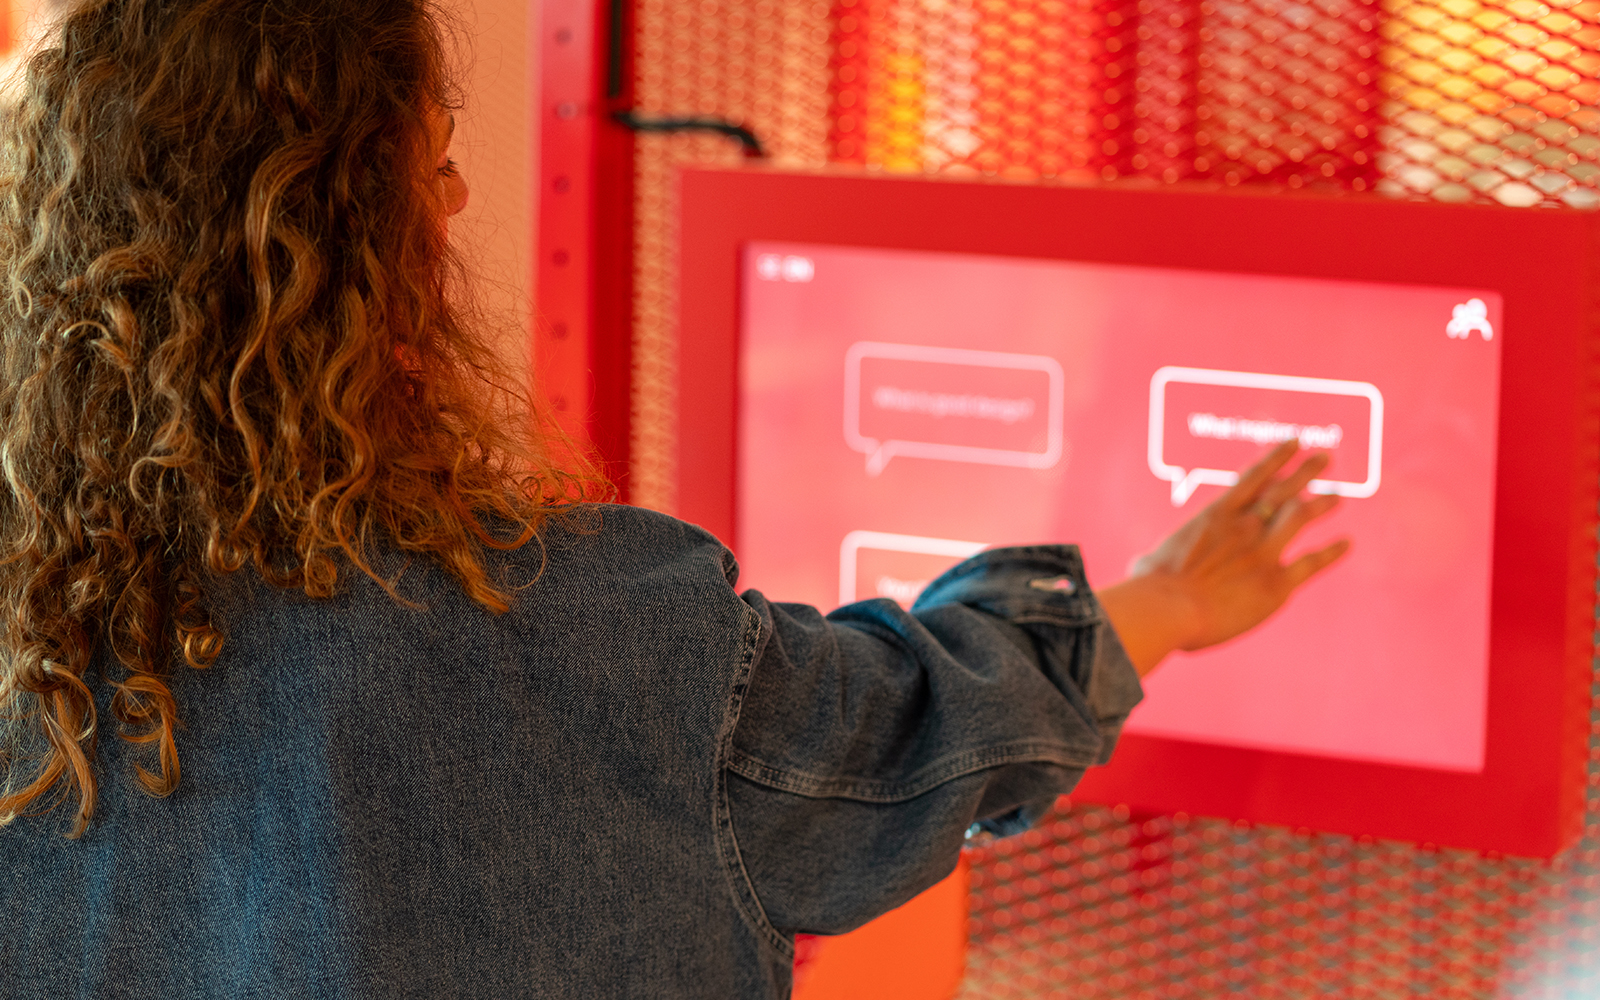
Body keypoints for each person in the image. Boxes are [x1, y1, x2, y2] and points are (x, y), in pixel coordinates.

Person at [0, 0, 1349, 996]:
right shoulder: (605, 627)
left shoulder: (29, 651)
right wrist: (1162, 602)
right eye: (432, 157)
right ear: (359, 246)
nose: (459, 193)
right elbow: (918, 735)